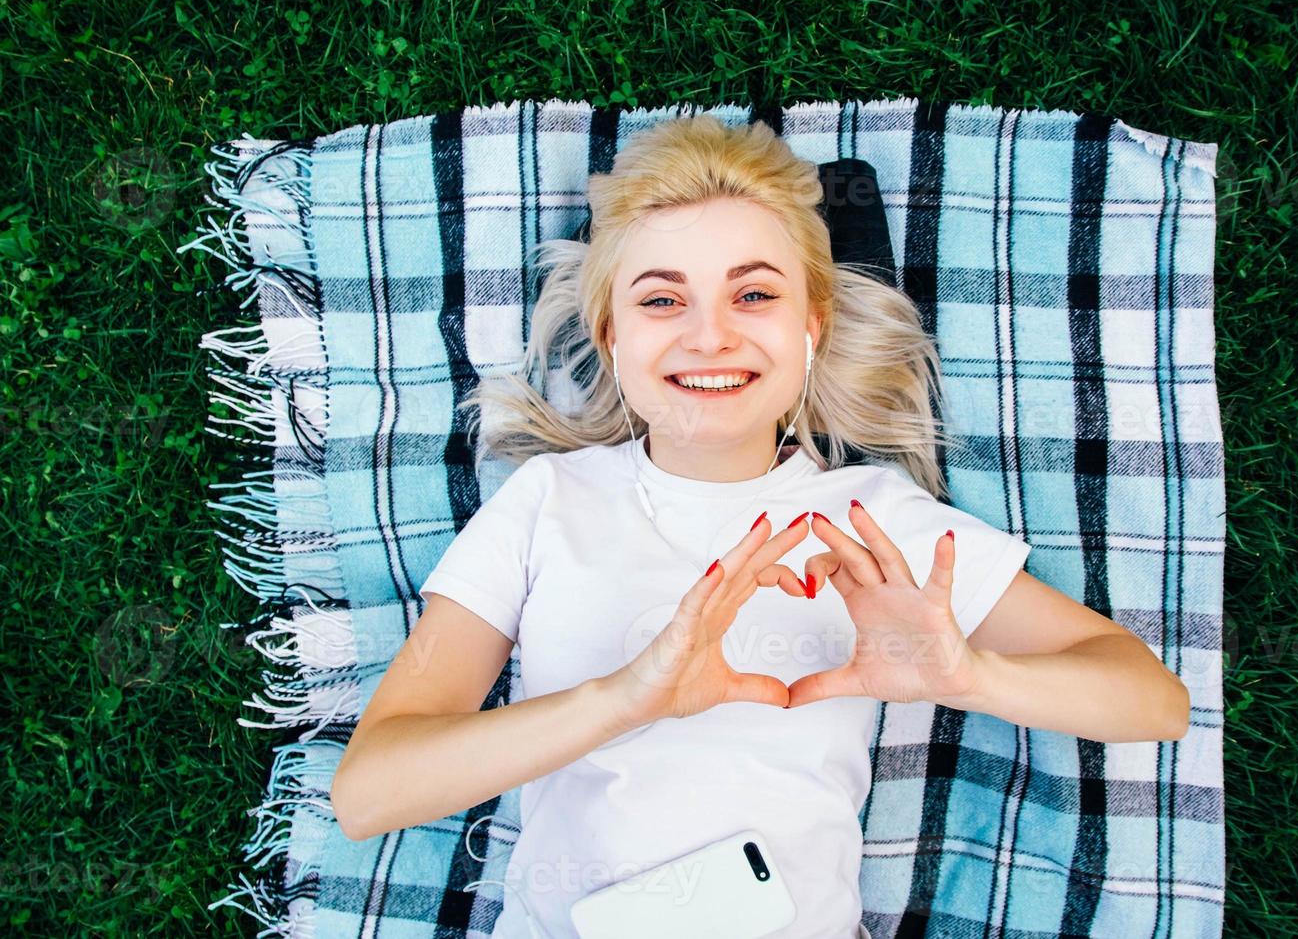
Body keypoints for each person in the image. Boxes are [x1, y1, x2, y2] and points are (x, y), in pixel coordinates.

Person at [329, 114, 1191, 939]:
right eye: (663, 301)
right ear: (612, 337)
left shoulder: (873, 528)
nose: (711, 337)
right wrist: (628, 698)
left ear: (810, 329)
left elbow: (1152, 701)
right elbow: (370, 793)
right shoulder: (547, 503)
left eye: (753, 294)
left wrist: (966, 675)